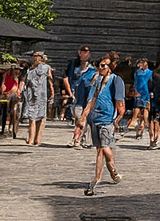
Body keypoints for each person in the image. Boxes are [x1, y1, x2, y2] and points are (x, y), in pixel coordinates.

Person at [79, 55, 125, 196]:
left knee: (103, 148)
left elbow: (119, 102)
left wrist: (117, 120)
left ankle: (106, 174)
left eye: (104, 65)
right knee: (99, 149)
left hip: (107, 119)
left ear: (110, 68)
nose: (100, 67)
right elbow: (92, 98)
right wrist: (84, 116)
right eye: (99, 65)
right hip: (95, 118)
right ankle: (106, 173)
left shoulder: (116, 81)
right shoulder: (97, 80)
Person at [22, 51, 51, 146]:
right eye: (34, 56)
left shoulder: (46, 68)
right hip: (31, 95)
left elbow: (50, 80)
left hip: (42, 95)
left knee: (41, 117)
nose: (36, 58)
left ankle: (37, 139)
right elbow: (24, 80)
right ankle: (31, 139)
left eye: (38, 56)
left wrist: (52, 92)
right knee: (32, 117)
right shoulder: (29, 69)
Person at [64, 46, 93, 130]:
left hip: (87, 95)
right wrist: (69, 92)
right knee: (77, 118)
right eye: (83, 51)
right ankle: (78, 137)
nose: (85, 53)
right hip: (75, 95)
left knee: (84, 118)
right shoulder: (73, 65)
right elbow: (65, 77)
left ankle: (80, 138)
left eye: (87, 51)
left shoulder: (92, 68)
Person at [128, 58, 153, 139]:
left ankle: (142, 127)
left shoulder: (150, 73)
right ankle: (136, 124)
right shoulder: (138, 72)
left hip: (146, 93)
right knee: (138, 110)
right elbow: (136, 82)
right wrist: (135, 91)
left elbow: (151, 83)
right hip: (139, 93)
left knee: (145, 111)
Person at [1, 62, 24, 138]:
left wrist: (18, 91)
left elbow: (20, 87)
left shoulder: (20, 78)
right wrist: (4, 91)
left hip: (16, 95)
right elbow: (3, 85)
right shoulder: (6, 76)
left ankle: (13, 123)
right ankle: (5, 121)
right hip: (7, 94)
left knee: (16, 103)